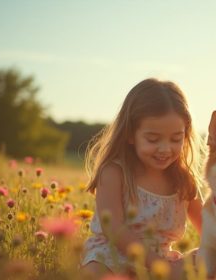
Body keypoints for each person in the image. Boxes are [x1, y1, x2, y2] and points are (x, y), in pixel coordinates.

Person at [80, 78, 204, 279]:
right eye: (153, 139)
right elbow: (114, 229)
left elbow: (210, 228)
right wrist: (163, 267)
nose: (165, 149)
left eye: (176, 139)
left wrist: (206, 258)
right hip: (113, 258)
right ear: (130, 134)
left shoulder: (184, 181)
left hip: (163, 262)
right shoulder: (114, 172)